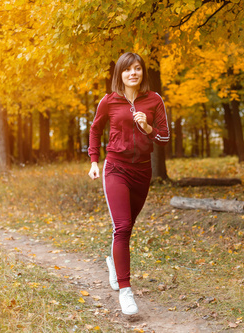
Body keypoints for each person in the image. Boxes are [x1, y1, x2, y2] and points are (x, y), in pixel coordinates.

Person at [87, 52, 170, 315]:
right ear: (119, 74)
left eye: (137, 69)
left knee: (128, 226)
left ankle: (113, 260)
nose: (132, 73)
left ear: (142, 73)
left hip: (142, 171)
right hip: (116, 168)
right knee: (122, 227)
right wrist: (93, 160)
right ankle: (126, 291)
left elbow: (165, 138)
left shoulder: (154, 100)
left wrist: (147, 128)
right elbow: (95, 130)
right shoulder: (108, 101)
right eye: (127, 70)